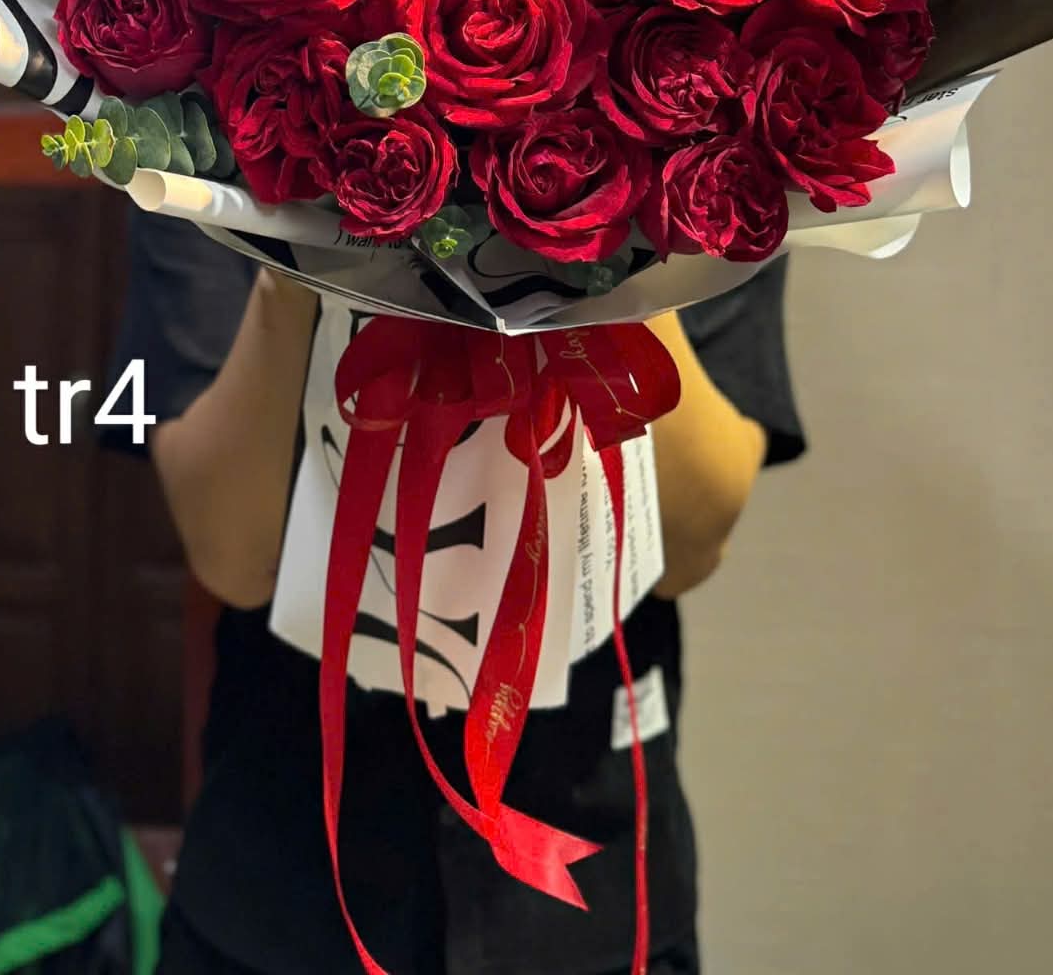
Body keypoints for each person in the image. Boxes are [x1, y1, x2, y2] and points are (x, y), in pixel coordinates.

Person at [105, 215, 804, 975]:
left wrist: (608, 232)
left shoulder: (713, 165)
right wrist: (296, 239)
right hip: (288, 872)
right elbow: (230, 557)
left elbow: (690, 548)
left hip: (587, 865)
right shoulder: (215, 159)